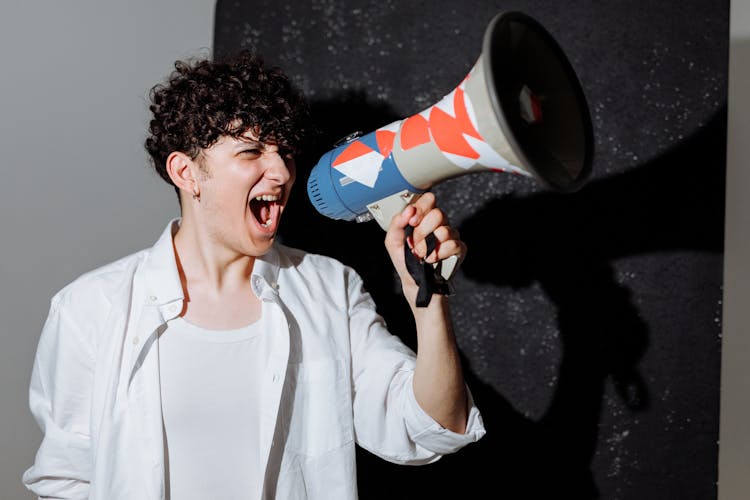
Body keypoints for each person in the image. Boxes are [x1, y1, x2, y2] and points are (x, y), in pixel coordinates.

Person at [22, 50, 485, 500]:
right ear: (186, 173)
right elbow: (66, 483)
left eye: (285, 151)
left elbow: (433, 426)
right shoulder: (89, 309)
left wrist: (428, 298)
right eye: (251, 152)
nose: (281, 171)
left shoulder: (330, 288)